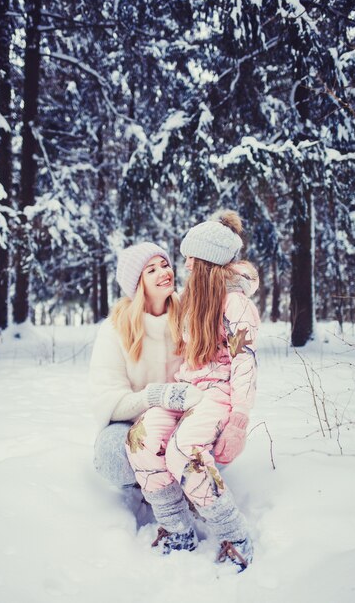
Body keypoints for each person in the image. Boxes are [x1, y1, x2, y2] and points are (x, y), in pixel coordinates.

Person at [125, 211, 260, 571]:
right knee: (141, 439)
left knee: (184, 452)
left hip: (219, 393)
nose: (183, 264)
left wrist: (239, 421)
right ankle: (177, 528)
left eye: (190, 258)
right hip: (187, 388)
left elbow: (245, 362)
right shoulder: (192, 298)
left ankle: (235, 535)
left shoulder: (236, 304)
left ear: (206, 263)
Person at [89, 241, 203, 489]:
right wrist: (154, 396)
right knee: (112, 454)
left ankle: (180, 477)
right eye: (151, 270)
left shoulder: (188, 318)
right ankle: (142, 479)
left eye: (164, 264)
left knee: (208, 437)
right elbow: (109, 401)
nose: (164, 272)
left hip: (179, 422)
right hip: (130, 425)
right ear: (137, 284)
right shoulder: (114, 329)